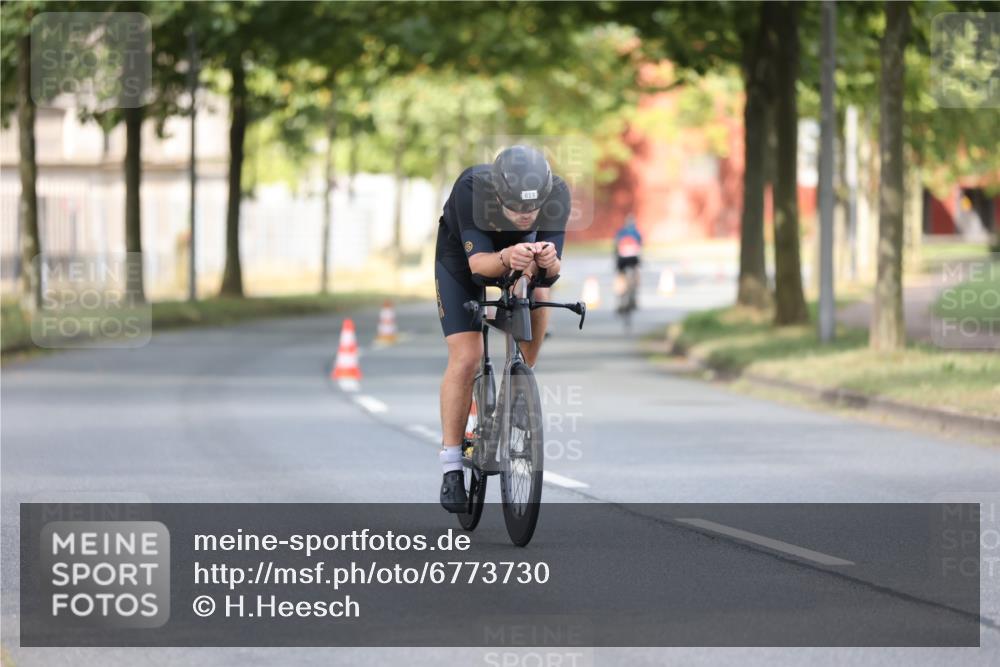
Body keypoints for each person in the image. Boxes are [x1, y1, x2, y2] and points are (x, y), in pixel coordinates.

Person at [434, 145, 571, 512]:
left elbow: (552, 270)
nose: (525, 216)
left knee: (538, 290)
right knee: (467, 356)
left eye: (532, 209)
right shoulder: (471, 189)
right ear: (497, 195)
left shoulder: (557, 192)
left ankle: (520, 382)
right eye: (515, 208)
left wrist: (543, 264)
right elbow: (478, 265)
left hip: (517, 256)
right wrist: (506, 258)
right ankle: (450, 467)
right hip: (462, 260)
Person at [613, 214, 643, 310]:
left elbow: (616, 246)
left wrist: (616, 259)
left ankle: (621, 299)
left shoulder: (621, 232)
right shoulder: (637, 233)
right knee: (636, 274)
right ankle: (633, 296)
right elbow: (640, 247)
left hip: (622, 259)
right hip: (633, 258)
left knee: (620, 276)